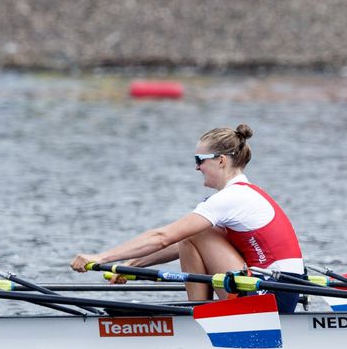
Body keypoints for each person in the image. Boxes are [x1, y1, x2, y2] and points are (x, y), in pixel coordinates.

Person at [71, 124, 305, 311]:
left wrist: (100, 256)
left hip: (269, 297)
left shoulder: (231, 198)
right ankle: (202, 312)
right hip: (277, 292)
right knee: (191, 236)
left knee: (194, 232)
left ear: (221, 161)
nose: (196, 168)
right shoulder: (243, 194)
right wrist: (129, 266)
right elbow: (179, 245)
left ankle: (198, 317)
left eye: (199, 160)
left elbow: (162, 237)